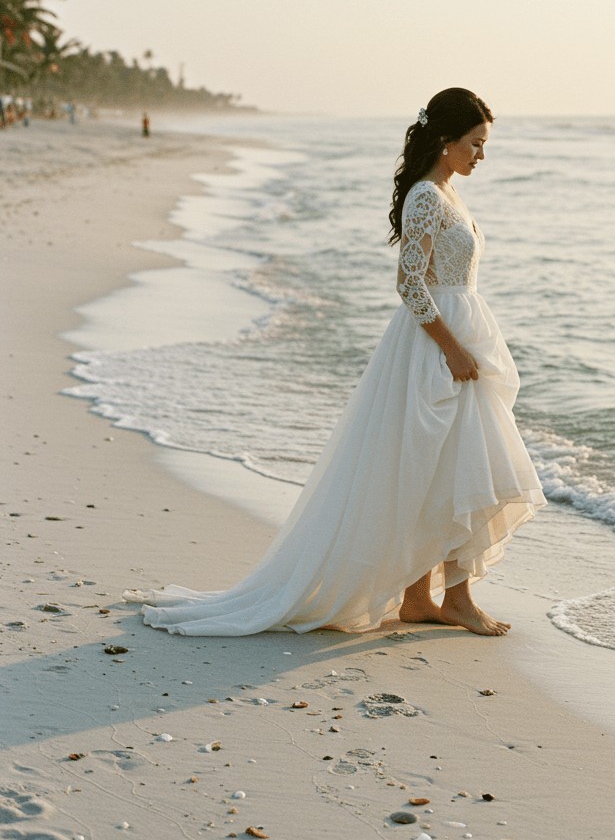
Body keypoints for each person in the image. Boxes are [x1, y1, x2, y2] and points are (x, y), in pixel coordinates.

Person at [125, 88, 544, 637]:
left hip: (458, 338)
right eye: (475, 143)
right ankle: (448, 598)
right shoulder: (426, 197)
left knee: (450, 464)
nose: (481, 155)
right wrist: (452, 347)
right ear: (446, 142)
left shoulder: (447, 191)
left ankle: (426, 598)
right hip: (435, 348)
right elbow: (409, 284)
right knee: (442, 463)